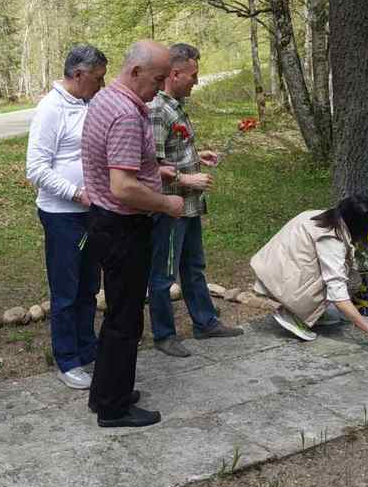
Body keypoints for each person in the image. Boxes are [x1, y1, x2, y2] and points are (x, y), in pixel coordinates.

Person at [81, 41, 184, 428]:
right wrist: (164, 203)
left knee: (116, 317)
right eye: (157, 80)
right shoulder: (125, 114)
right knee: (126, 321)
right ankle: (114, 409)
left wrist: (159, 171)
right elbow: (123, 186)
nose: (159, 88)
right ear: (136, 72)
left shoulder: (105, 99)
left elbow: (124, 166)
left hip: (105, 222)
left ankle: (105, 393)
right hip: (123, 226)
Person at [148, 43, 243, 357]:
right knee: (163, 274)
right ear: (174, 74)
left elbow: (172, 151)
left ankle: (205, 323)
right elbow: (150, 166)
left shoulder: (175, 104)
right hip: (170, 207)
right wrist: (187, 178)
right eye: (193, 75)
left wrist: (195, 156)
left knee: (194, 266)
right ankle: (164, 335)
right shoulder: (157, 110)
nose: (196, 81)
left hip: (189, 206)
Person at [26, 45, 108, 390]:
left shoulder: (88, 104)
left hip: (92, 212)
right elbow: (36, 169)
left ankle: (87, 348)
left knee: (90, 286)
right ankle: (67, 359)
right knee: (66, 291)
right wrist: (77, 193)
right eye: (97, 78)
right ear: (78, 74)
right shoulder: (51, 108)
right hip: (63, 216)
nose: (101, 85)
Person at [250, 195, 368, 348]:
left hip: (273, 267)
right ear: (358, 226)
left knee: (352, 277)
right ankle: (293, 315)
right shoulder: (331, 240)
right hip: (281, 278)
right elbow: (338, 295)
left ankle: (310, 312)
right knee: (344, 281)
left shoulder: (323, 216)